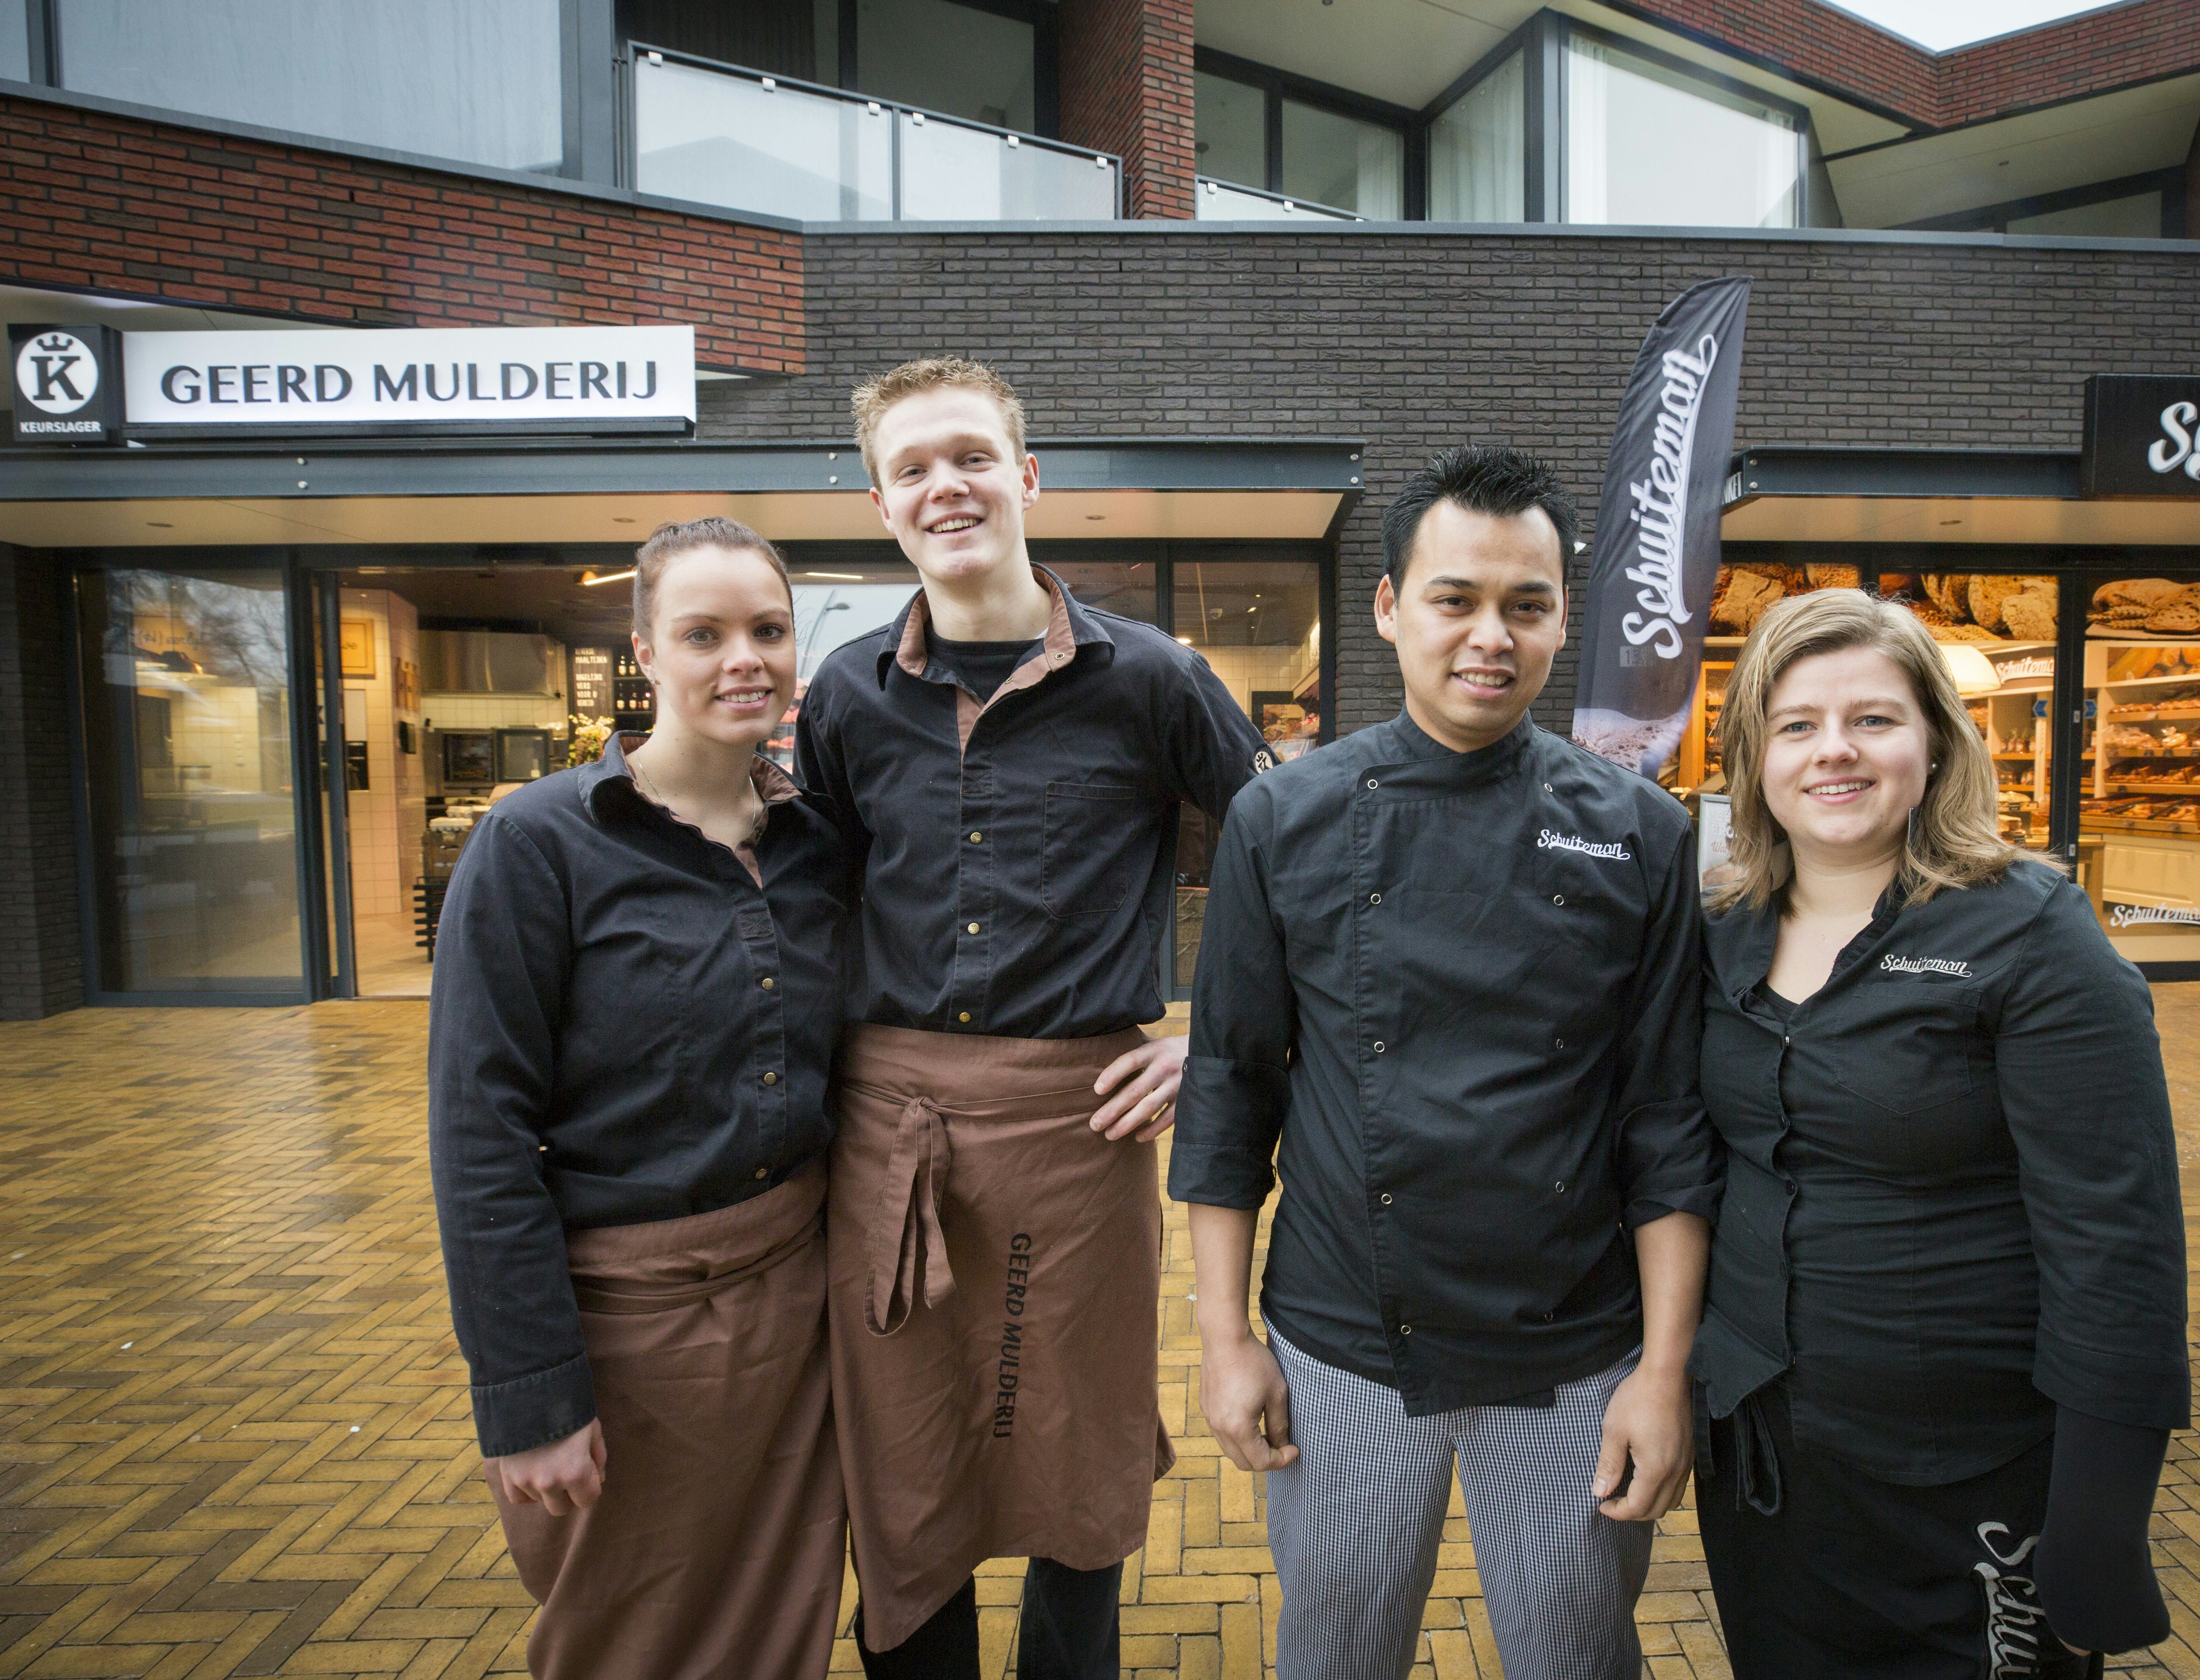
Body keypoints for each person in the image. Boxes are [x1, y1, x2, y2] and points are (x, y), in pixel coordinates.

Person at [1171, 445, 1721, 1680]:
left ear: (1562, 619)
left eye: (1526, 605)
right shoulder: (1284, 815)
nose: (1491, 635)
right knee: (1334, 1657)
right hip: (1342, 1338)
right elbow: (1230, 1087)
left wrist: (1664, 1370)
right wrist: (1222, 1338)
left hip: (1575, 1343)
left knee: (1574, 1659)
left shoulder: (1641, 830)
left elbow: (1663, 1122)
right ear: (1387, 606)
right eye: (1454, 598)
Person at [793, 357, 1272, 1678]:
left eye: (969, 456)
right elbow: (805, 910)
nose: (944, 485)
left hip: (1081, 1132)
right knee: (901, 1460)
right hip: (891, 1140)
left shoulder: (1155, 679)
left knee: (1079, 1445)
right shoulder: (840, 696)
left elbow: (1294, 864)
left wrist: (1213, 1038)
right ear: (881, 503)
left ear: (1026, 476)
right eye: (912, 468)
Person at [1690, 588, 2189, 1678]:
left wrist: (2101, 1527)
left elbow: (2120, 1243)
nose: (1836, 752)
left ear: (1933, 741)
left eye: (1873, 719)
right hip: (1766, 1476)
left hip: (1973, 1490)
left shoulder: (2032, 935)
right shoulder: (1722, 931)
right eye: (1797, 725)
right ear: (1754, 757)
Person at [427, 517, 858, 1679]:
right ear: (646, 653)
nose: (743, 659)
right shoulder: (536, 844)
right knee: (628, 1641)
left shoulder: (821, 843)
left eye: (767, 629)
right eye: (702, 632)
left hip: (796, 1316)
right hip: (625, 1340)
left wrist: (1171, 1043)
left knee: (781, 1631)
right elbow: (479, 1136)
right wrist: (528, 1395)